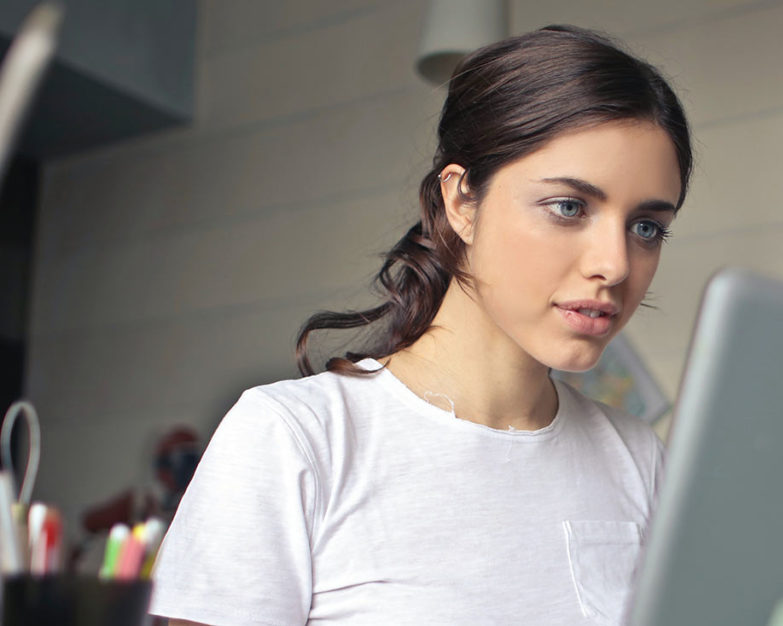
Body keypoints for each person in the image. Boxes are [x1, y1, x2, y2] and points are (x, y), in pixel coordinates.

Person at [149, 24, 693, 626]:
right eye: (569, 207)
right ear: (461, 202)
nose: (614, 264)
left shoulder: (638, 459)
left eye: (647, 226)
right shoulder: (295, 439)